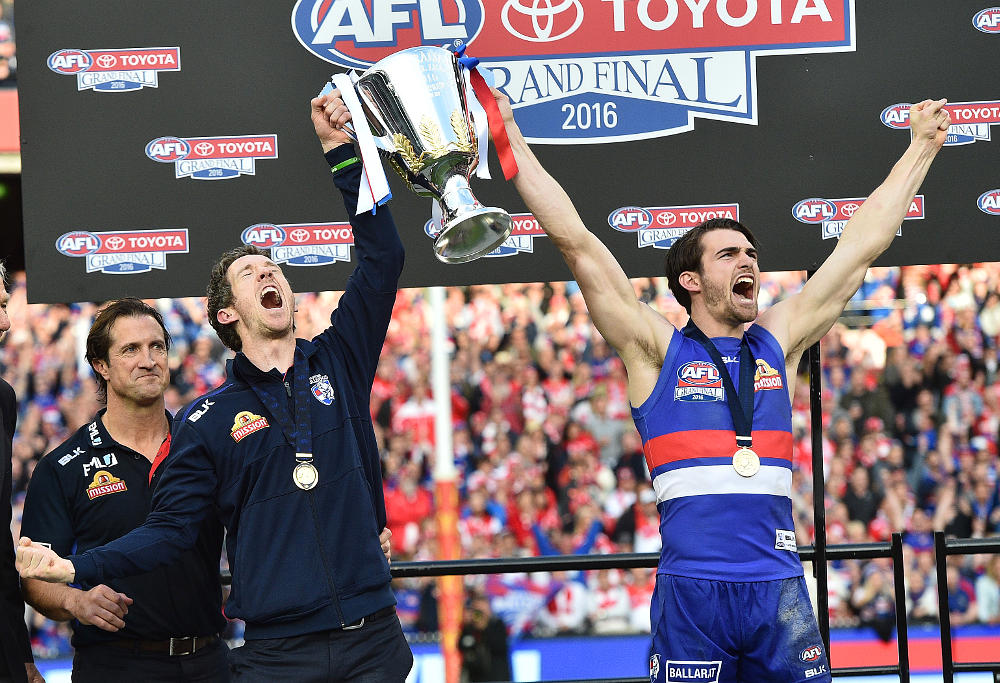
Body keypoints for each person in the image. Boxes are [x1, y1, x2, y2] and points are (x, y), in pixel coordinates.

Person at [492, 90, 950, 682]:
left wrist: (920, 149)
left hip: (778, 588)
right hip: (693, 596)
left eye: (752, 254)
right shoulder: (657, 349)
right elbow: (578, 245)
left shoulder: (776, 340)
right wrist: (509, 136)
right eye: (729, 254)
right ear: (690, 279)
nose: (749, 263)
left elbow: (859, 249)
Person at [16, 91, 411, 681]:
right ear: (228, 314)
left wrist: (339, 153)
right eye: (250, 273)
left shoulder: (340, 358)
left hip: (374, 637)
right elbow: (168, 531)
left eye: (274, 267)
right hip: (279, 655)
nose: (269, 272)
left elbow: (384, 258)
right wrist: (76, 571)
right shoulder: (205, 422)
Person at [19, 299, 229, 682]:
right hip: (115, 665)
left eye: (156, 347)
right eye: (130, 350)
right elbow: (35, 577)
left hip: (209, 659)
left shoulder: (204, 446)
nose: (147, 360)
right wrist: (76, 601)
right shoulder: (61, 467)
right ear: (101, 365)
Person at [0, 263, 43, 683]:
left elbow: (0, 545)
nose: (5, 322)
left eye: (4, 305)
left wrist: (22, 654)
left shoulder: (3, 398)